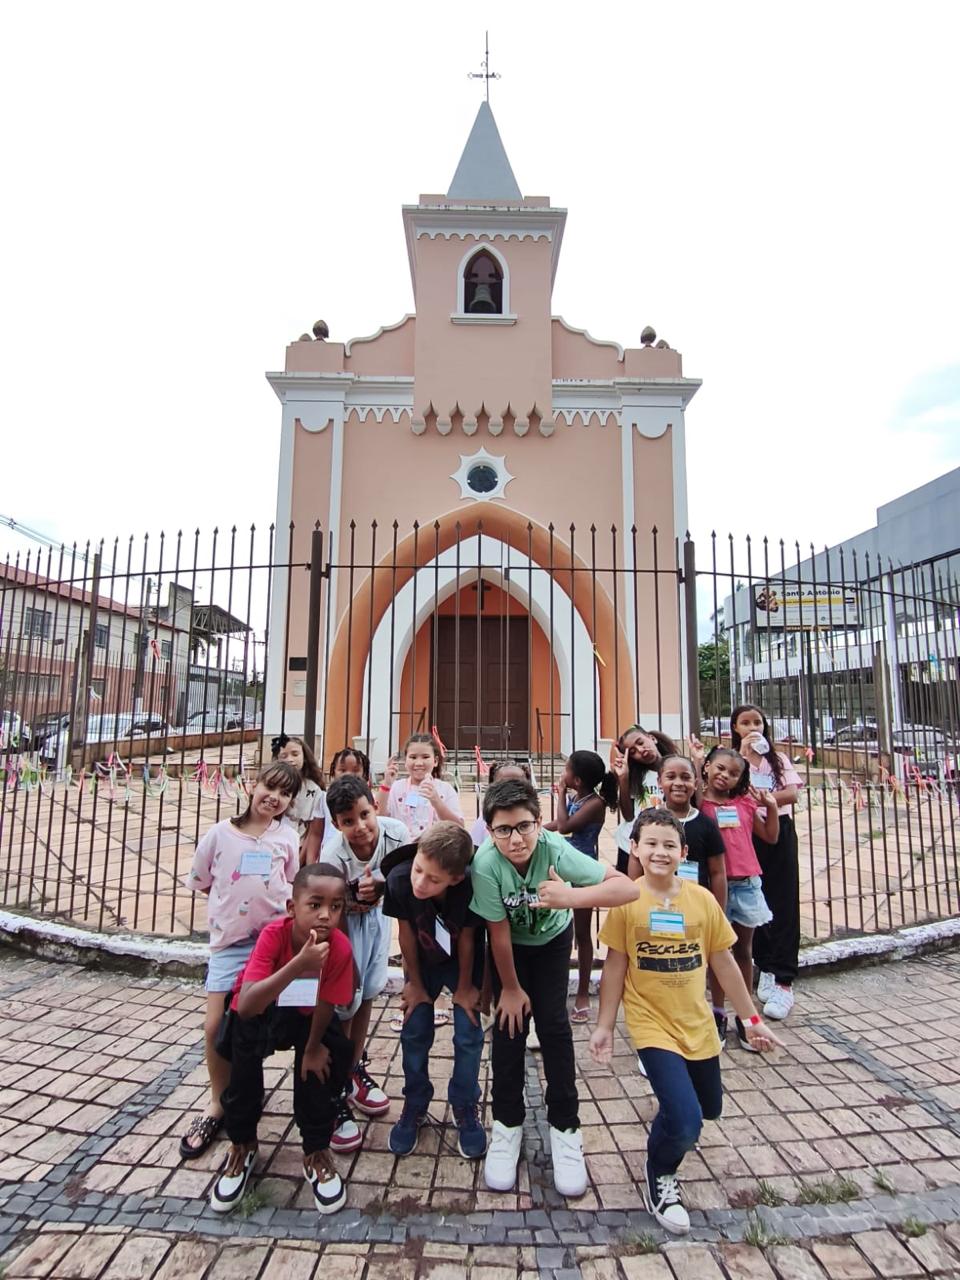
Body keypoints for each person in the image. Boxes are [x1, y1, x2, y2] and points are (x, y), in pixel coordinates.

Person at [590, 810, 783, 1235]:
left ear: (684, 852)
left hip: (696, 1023)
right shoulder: (626, 900)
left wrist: (750, 1018)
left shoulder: (701, 900)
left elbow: (724, 962)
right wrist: (605, 1026)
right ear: (634, 849)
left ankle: (672, 1117)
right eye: (650, 844)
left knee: (708, 1108)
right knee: (685, 1120)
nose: (659, 852)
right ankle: (660, 1172)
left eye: (669, 845)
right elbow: (615, 968)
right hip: (650, 1025)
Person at [470, 777, 638, 1198]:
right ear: (489, 831)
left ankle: (566, 1129)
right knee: (509, 1032)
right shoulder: (486, 864)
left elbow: (626, 887)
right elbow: (498, 933)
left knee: (555, 1029)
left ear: (540, 823)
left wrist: (571, 898)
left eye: (524, 826)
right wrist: (509, 988)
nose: (515, 839)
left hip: (550, 945)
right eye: (503, 830)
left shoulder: (554, 848)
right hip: (511, 950)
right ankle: (507, 1126)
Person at [209, 862, 355, 1217]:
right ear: (292, 908)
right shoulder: (275, 935)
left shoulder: (339, 947)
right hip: (263, 1010)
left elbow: (326, 1002)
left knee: (325, 1059)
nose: (325, 915)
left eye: (335, 907)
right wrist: (299, 964)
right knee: (240, 1049)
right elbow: (246, 1005)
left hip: (307, 1016)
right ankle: (243, 1144)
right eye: (315, 904)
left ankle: (315, 1150)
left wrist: (313, 1048)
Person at [179, 762, 301, 1159]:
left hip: (273, 943)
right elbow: (201, 881)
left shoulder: (286, 837)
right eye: (270, 787)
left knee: (274, 1023)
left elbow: (293, 885)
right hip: (230, 944)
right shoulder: (219, 834)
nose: (274, 798)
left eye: (284, 794)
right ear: (253, 785)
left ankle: (260, 1094)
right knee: (216, 1025)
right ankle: (218, 1101)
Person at [382, 822, 487, 1158]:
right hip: (422, 961)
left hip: (461, 963)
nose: (420, 882)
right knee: (414, 1030)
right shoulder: (399, 879)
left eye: (433, 879)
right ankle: (415, 1102)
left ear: (455, 878)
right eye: (418, 870)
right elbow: (406, 933)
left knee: (469, 1033)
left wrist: (467, 987)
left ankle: (465, 1103)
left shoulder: (470, 885)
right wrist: (412, 983)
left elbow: (470, 937)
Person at [324, 774, 409, 1152]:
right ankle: (333, 1090)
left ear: (375, 806)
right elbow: (330, 908)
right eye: (348, 822)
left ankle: (353, 1069)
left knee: (369, 994)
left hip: (378, 923)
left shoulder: (396, 833)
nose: (359, 828)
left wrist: (384, 891)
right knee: (344, 1002)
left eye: (364, 815)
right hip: (345, 929)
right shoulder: (334, 856)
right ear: (336, 824)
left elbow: (407, 881)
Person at [699, 747, 779, 1050]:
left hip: (746, 885)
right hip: (714, 886)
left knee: (744, 951)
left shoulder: (744, 803)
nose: (725, 776)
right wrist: (695, 762)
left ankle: (747, 1016)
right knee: (718, 952)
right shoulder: (701, 804)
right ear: (707, 768)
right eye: (719, 769)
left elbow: (770, 836)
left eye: (733, 773)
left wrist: (770, 807)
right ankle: (718, 1011)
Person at [730, 705, 803, 1021]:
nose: (751, 727)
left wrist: (765, 799)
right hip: (746, 831)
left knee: (783, 900)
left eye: (757, 722)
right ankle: (764, 964)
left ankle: (783, 978)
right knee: (751, 899)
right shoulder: (733, 760)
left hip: (778, 830)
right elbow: (729, 791)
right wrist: (744, 758)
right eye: (745, 722)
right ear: (735, 728)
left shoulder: (778, 759)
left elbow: (791, 793)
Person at [544, 750, 618, 1022]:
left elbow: (565, 827)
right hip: (564, 866)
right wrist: (537, 828)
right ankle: (556, 988)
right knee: (559, 929)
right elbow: (558, 825)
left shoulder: (595, 803)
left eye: (565, 770)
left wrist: (560, 794)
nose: (562, 774)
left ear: (575, 780)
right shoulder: (580, 797)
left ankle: (583, 992)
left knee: (583, 934)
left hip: (584, 871)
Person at [630, 756, 728, 910]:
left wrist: (718, 912)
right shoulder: (645, 819)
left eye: (685, 777)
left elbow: (718, 872)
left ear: (695, 784)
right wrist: (635, 900)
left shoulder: (706, 824)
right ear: (659, 782)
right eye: (670, 777)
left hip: (695, 904)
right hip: (652, 902)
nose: (678, 783)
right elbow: (635, 861)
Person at [612, 724, 678, 873]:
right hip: (631, 845)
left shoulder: (676, 768)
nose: (641, 751)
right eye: (633, 752)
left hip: (664, 842)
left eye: (640, 743)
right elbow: (628, 816)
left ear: (652, 738)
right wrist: (623, 778)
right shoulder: (637, 776)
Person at [383, 733, 464, 838]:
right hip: (403, 849)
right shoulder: (396, 788)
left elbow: (459, 827)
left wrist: (436, 801)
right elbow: (380, 819)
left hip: (436, 849)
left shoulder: (445, 789)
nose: (419, 763)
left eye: (425, 757)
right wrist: (386, 785)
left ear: (435, 761)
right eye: (413, 757)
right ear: (405, 761)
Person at [273, 735, 329, 865]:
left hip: (300, 848)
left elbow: (312, 831)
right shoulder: (272, 787)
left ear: (304, 757)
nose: (290, 759)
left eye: (295, 754)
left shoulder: (313, 789)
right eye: (284, 756)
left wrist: (300, 859)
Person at [469, 761, 532, 848]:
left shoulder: (532, 816)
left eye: (518, 785)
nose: (511, 790)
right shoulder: (484, 822)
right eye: (503, 785)